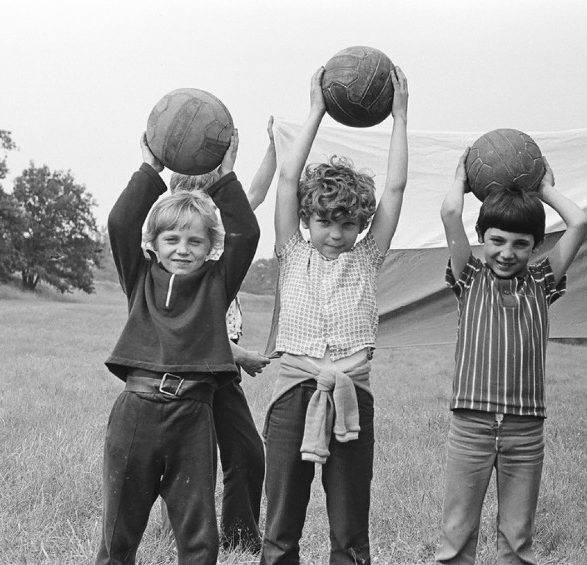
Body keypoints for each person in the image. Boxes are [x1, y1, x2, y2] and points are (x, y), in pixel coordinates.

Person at [259, 64, 408, 565]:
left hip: (351, 395)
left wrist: (400, 116)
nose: (335, 233)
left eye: (347, 223)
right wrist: (318, 108)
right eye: (324, 220)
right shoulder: (291, 252)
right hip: (293, 391)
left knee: (349, 529)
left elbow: (393, 192)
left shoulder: (367, 258)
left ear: (360, 225)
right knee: (281, 524)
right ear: (307, 218)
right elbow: (285, 179)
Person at [94, 130, 260, 565]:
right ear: (154, 244)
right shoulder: (140, 279)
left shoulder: (217, 284)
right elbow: (121, 223)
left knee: (198, 538)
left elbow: (245, 232)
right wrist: (151, 168)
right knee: (118, 535)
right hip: (136, 413)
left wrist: (226, 175)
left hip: (193, 417)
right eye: (172, 240)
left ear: (211, 248)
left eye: (195, 242)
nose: (183, 250)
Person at [435, 151, 587, 564]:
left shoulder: (542, 280)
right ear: (481, 238)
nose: (506, 252)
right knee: (456, 535)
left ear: (536, 246)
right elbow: (451, 211)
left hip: (525, 430)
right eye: (497, 240)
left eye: (521, 244)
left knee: (518, 540)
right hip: (471, 424)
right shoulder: (468, 275)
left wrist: (545, 190)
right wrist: (461, 179)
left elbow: (579, 223)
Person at [159, 117, 277, 554]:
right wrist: (242, 355)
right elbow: (191, 327)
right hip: (190, 367)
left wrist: (272, 149)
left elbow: (255, 195)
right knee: (194, 459)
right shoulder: (179, 251)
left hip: (220, 369)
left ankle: (241, 537)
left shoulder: (220, 235)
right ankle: (193, 536)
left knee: (246, 452)